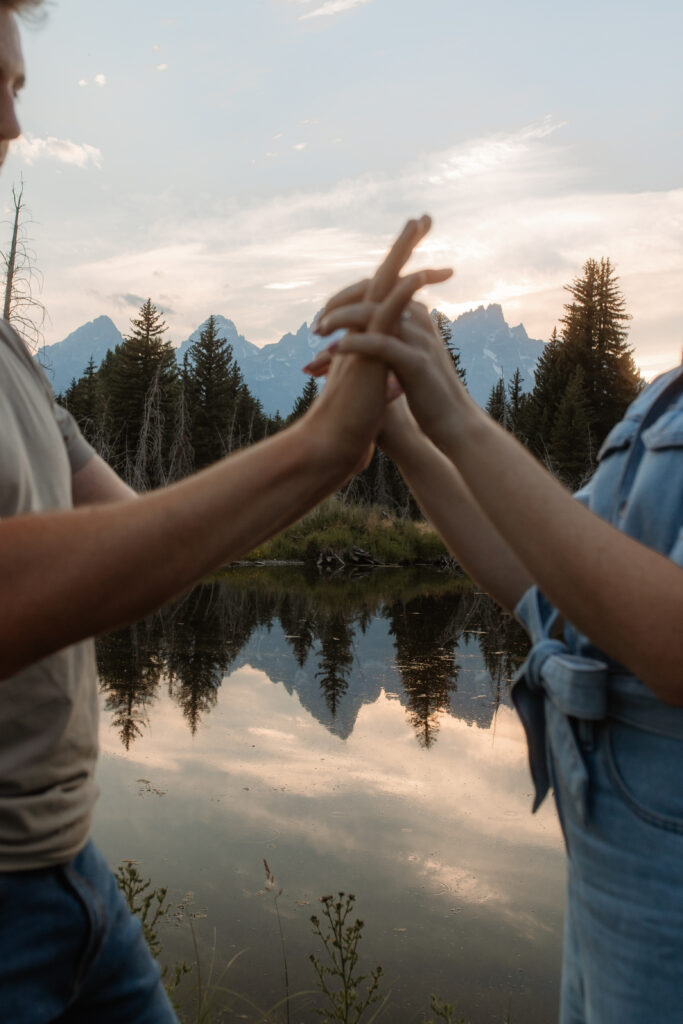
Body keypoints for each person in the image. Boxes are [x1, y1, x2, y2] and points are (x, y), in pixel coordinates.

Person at [0, 2, 453, 1020]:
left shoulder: (9, 359)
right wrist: (314, 447)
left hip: (70, 885)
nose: (14, 126)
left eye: (20, 90)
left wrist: (342, 448)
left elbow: (143, 541)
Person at [305, 272, 683, 1020]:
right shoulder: (662, 399)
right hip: (612, 911)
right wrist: (407, 435)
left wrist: (457, 420)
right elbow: (541, 583)